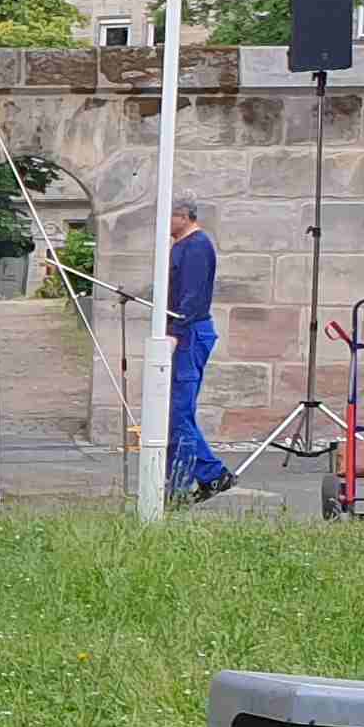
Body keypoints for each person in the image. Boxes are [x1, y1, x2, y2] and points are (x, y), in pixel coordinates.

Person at [165, 202, 236, 502]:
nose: (164, 224)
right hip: (186, 330)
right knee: (178, 413)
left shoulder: (196, 247)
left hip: (190, 333)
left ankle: (181, 488)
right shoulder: (183, 245)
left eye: (168, 217)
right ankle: (211, 474)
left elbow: (192, 297)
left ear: (183, 216)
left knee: (180, 413)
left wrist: (175, 333)